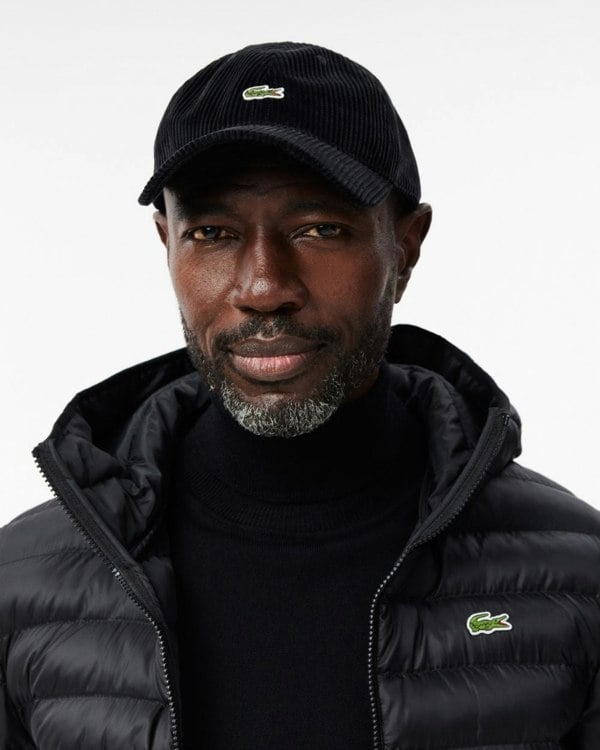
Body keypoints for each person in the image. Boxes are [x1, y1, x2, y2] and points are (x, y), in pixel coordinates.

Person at [0, 41, 598, 750]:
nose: (263, 287)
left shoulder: (578, 580)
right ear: (167, 243)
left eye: (320, 229)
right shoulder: (21, 589)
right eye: (212, 233)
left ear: (406, 246)